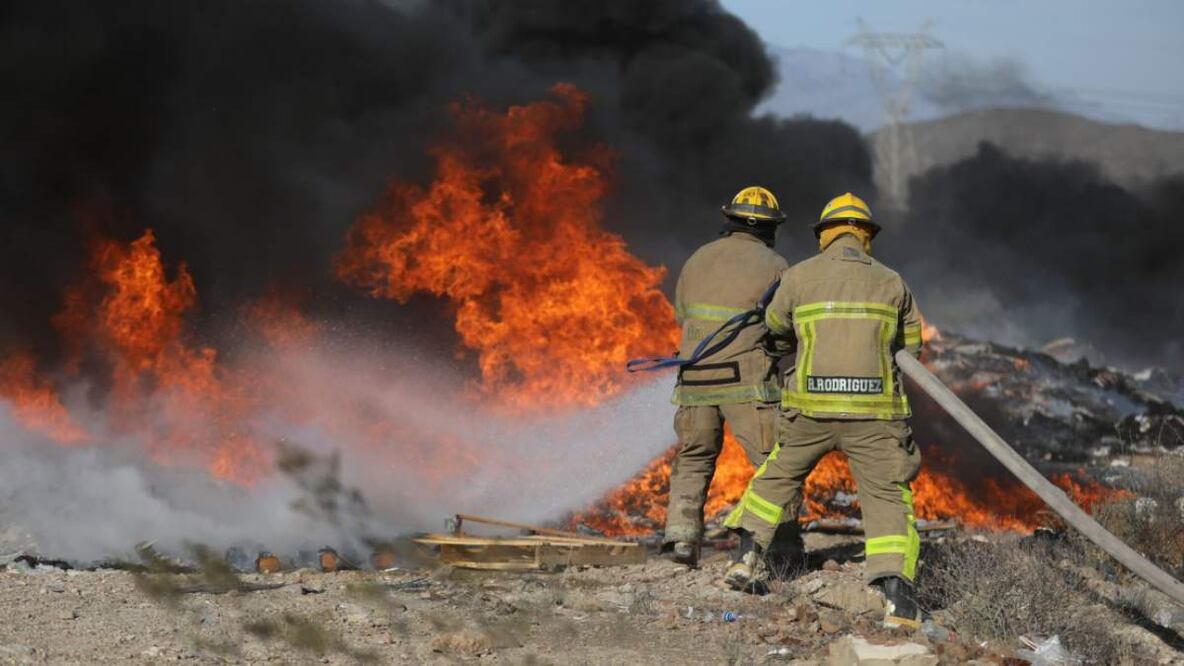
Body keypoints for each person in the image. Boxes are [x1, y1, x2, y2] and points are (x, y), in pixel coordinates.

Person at [723, 192, 926, 628]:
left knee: (777, 477)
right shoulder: (893, 282)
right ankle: (899, 602)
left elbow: (774, 331)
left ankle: (744, 560)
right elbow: (912, 348)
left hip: (810, 411)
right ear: (865, 235)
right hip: (875, 416)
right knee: (888, 496)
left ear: (825, 235)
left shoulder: (798, 277)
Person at [663, 186, 796, 567]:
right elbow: (782, 324)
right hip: (747, 383)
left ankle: (682, 541)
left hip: (693, 379)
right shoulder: (776, 264)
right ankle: (784, 546)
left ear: (729, 220)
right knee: (775, 462)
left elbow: (681, 315)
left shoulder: (696, 259)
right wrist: (777, 351)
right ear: (769, 228)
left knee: (693, 457)